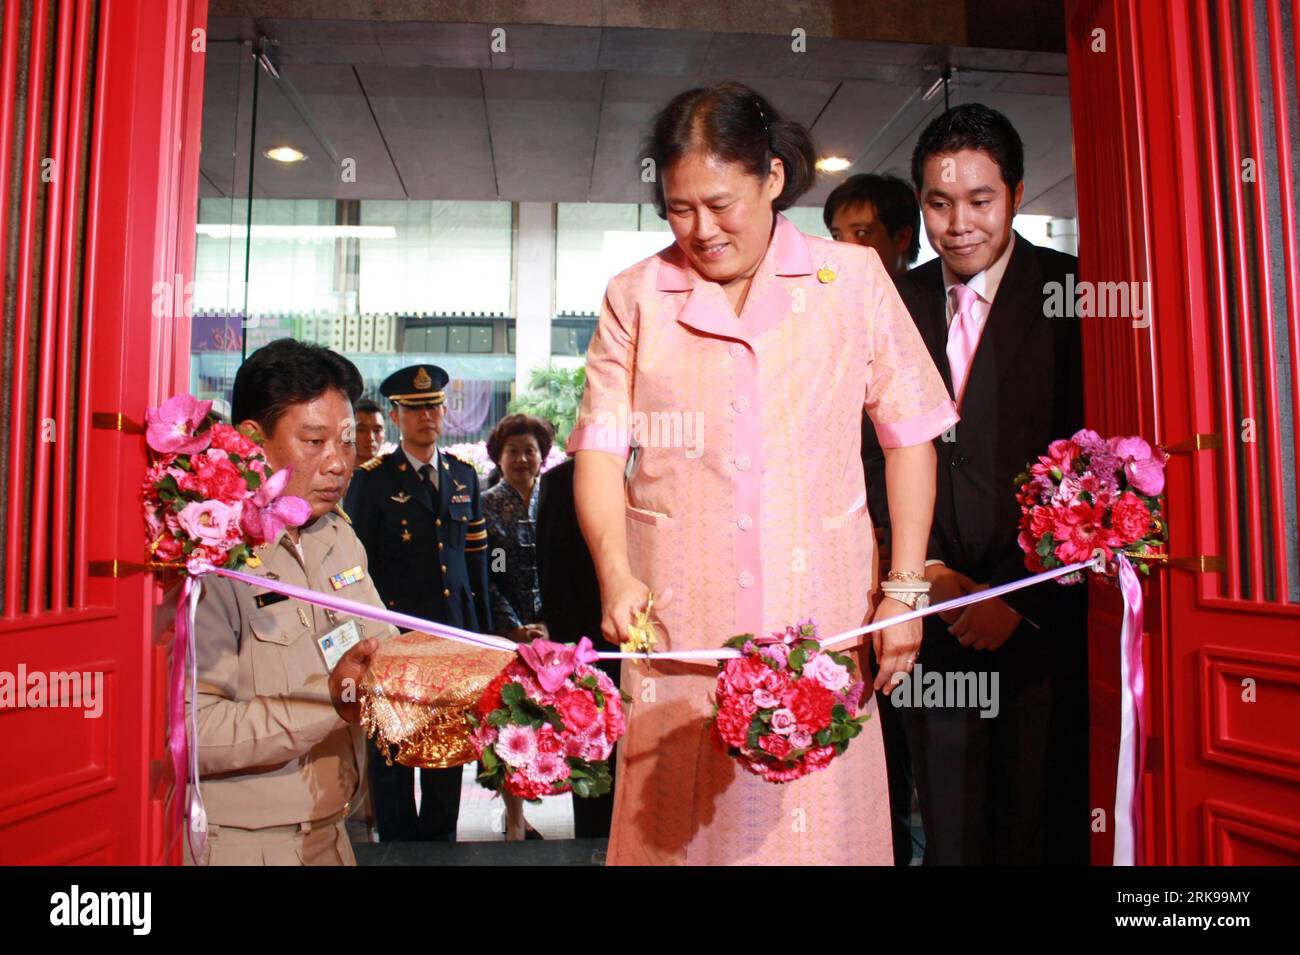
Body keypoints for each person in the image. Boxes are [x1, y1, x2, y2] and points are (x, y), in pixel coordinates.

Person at [570, 81, 958, 865]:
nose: (702, 230)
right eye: (680, 209)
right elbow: (602, 451)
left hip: (816, 624)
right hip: (678, 624)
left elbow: (910, 435)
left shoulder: (848, 280)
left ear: (773, 177)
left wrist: (907, 585)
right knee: (681, 833)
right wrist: (615, 574)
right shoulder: (638, 294)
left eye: (721, 204)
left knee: (815, 835)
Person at [867, 102, 1087, 864]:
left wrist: (1016, 594)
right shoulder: (895, 300)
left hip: (1043, 621)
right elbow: (869, 447)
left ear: (1017, 195)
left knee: (1039, 825)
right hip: (930, 618)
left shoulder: (1076, 295)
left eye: (979, 200)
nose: (958, 223)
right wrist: (921, 571)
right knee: (951, 832)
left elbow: (1101, 465)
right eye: (938, 202)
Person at [186, 338, 396, 866]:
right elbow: (191, 735)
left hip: (333, 830)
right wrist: (332, 699)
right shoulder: (211, 558)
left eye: (346, 441)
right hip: (242, 843)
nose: (338, 463)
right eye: (314, 441)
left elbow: (380, 651)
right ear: (252, 441)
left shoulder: (336, 537)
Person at [343, 364, 492, 842]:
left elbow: (478, 564)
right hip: (394, 645)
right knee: (392, 759)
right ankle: (398, 852)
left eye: (435, 406)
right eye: (416, 408)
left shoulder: (464, 475)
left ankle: (441, 849)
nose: (428, 415)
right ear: (397, 415)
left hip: (451, 641)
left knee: (447, 757)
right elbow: (355, 564)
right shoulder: (373, 480)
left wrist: (485, 634)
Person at [824, 172, 924, 866]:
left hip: (938, 569)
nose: (848, 251)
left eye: (863, 235)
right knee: (869, 742)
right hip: (863, 574)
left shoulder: (915, 309)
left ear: (901, 241)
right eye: (837, 237)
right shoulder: (829, 311)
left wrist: (915, 571)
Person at [536, 455, 619, 841]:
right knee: (594, 763)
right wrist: (572, 657)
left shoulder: (663, 469)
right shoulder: (560, 481)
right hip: (591, 653)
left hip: (658, 657)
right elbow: (551, 574)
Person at [481, 412, 553, 841]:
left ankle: (531, 805)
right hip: (506, 636)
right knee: (508, 725)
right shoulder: (487, 504)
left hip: (549, 634)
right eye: (513, 451)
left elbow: (560, 569)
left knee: (542, 726)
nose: (522, 459)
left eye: (530, 450)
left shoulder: (555, 503)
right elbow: (490, 571)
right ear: (499, 457)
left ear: (542, 455)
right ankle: (514, 818)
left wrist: (548, 621)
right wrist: (513, 626)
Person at [823, 173, 921, 282]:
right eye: (836, 236)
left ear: (902, 237)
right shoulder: (830, 296)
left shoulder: (932, 296)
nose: (843, 249)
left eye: (861, 233)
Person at [353, 398, 387, 469]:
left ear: (384, 434)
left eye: (377, 430)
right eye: (361, 430)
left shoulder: (395, 477)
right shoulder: (335, 473)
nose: (370, 437)